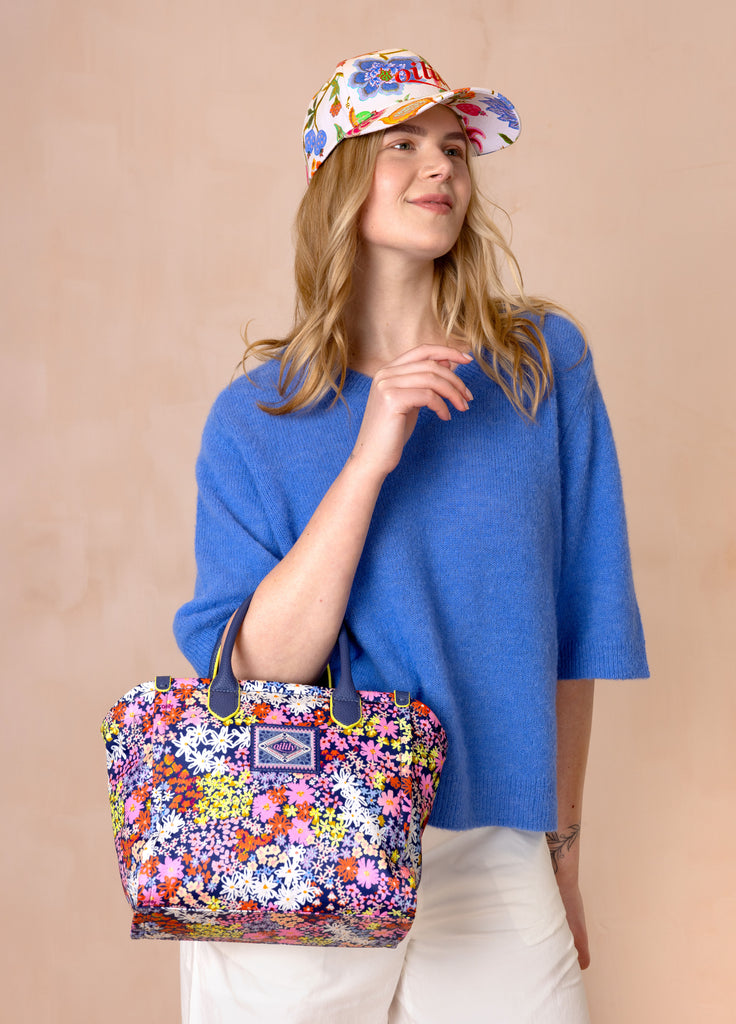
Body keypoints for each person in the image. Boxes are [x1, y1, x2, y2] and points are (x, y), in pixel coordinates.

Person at [174, 47, 648, 1024]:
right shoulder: (257, 416)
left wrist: (561, 853)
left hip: (491, 846)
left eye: (454, 149)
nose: (439, 166)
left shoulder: (539, 369)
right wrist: (367, 458)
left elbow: (578, 625)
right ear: (338, 179)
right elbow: (257, 665)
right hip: (299, 838)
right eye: (402, 144)